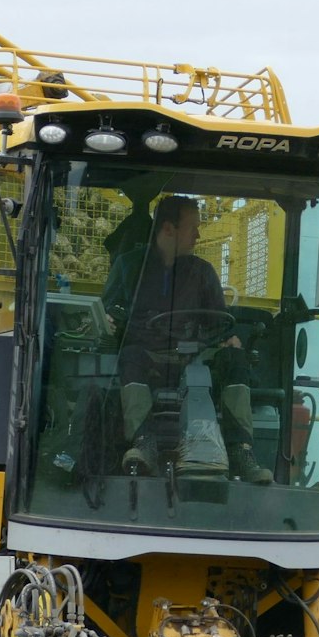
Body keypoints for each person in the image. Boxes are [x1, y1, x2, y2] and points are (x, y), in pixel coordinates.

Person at [104, 197, 271, 484]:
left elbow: (220, 322)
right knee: (129, 356)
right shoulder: (128, 267)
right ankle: (143, 444)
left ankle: (240, 451)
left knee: (236, 360)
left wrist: (230, 339)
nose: (198, 234)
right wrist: (109, 321)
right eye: (193, 227)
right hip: (147, 357)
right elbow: (109, 311)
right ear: (169, 229)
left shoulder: (203, 272)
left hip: (195, 359)